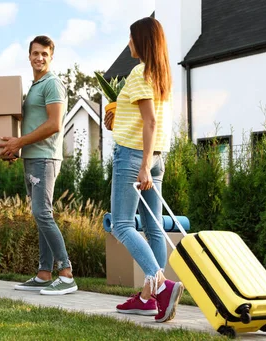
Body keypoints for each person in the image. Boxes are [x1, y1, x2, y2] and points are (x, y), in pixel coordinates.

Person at [106, 17, 184, 322]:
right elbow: (147, 121)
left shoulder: (139, 73)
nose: (129, 43)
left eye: (131, 38)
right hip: (156, 156)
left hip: (134, 157)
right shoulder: (161, 76)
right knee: (154, 228)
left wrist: (142, 166)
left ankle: (161, 286)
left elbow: (150, 122)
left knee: (122, 225)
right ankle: (150, 299)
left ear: (142, 40)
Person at [0, 35, 77, 296]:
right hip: (33, 157)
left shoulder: (53, 85)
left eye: (44, 53)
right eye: (35, 53)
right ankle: (44, 273)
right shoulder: (35, 86)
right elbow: (30, 124)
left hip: (45, 157)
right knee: (40, 215)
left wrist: (19, 142)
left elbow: (55, 124)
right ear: (28, 56)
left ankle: (66, 273)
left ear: (51, 56)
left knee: (43, 213)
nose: (39, 57)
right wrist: (15, 147)